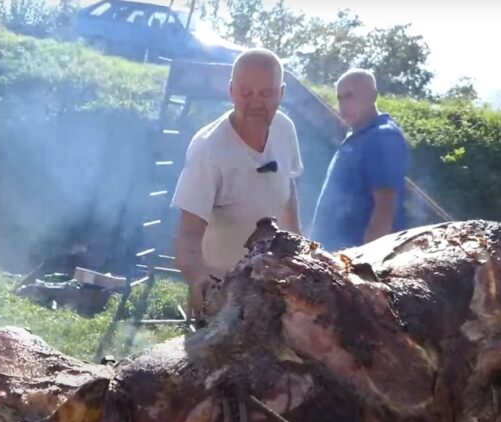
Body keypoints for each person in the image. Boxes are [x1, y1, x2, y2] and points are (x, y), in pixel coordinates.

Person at [170, 48, 304, 319]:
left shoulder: (284, 129)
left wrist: (300, 252)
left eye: (266, 93)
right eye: (246, 92)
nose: (255, 102)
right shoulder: (208, 149)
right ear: (231, 91)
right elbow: (188, 237)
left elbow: (287, 189)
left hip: (273, 287)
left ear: (282, 93)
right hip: (223, 294)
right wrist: (198, 281)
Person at [310, 69, 410, 252]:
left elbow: (385, 208)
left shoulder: (383, 136)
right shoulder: (358, 135)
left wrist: (365, 263)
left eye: (349, 96)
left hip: (352, 262)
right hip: (333, 257)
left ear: (372, 96)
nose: (343, 105)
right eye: (340, 98)